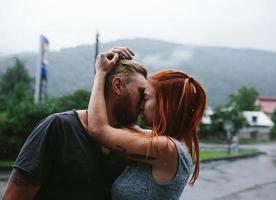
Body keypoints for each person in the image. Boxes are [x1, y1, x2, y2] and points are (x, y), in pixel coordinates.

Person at [2, 48, 148, 200]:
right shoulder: (58, 127)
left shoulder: (129, 143)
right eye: (141, 93)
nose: (144, 104)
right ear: (117, 85)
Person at [87, 49, 207, 199]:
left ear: (165, 104)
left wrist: (100, 72)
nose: (141, 105)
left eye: (146, 97)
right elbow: (124, 126)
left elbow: (98, 130)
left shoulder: (166, 148)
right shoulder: (166, 142)